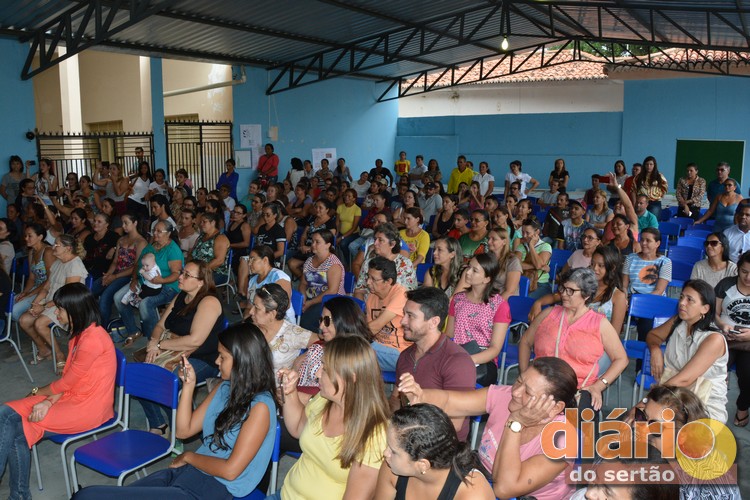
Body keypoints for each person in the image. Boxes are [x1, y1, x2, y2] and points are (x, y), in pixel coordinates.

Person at [73, 323, 278, 500]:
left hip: (216, 488)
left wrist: (188, 456)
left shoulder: (260, 407)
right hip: (191, 472)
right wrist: (188, 386)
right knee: (88, 495)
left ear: (243, 361)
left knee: (88, 496)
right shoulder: (224, 388)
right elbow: (183, 431)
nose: (217, 361)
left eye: (222, 357)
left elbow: (231, 471)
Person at [397, 357, 578, 500]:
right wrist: (420, 394)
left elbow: (505, 489)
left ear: (555, 408)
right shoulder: (506, 396)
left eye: (528, 393)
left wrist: (515, 423)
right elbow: (450, 401)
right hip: (482, 478)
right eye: (518, 381)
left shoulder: (563, 440)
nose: (516, 392)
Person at [1, 283, 116, 500]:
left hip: (89, 408)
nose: (56, 313)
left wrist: (37, 393)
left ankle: (19, 496)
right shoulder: (79, 335)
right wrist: (47, 401)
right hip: (71, 397)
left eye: (60, 309)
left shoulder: (93, 339)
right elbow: (67, 382)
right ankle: (19, 496)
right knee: (6, 414)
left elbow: (66, 383)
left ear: (75, 310)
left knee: (14, 427)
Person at [276, 336, 389, 500]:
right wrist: (290, 392)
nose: (317, 373)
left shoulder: (375, 433)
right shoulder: (324, 400)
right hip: (285, 494)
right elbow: (297, 428)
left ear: (351, 377)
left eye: (325, 368)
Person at [519, 268, 628, 412]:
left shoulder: (599, 324)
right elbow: (525, 342)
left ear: (586, 295)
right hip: (541, 385)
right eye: (563, 288)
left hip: (579, 389)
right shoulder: (548, 314)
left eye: (570, 290)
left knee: (573, 421)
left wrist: (599, 386)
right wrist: (525, 375)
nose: (564, 294)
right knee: (527, 414)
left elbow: (621, 359)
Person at [137, 261, 226, 434]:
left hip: (202, 357)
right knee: (141, 375)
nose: (180, 277)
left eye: (187, 275)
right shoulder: (181, 296)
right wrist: (154, 342)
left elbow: (195, 341)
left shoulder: (209, 301)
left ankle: (180, 431)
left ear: (200, 282)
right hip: (173, 349)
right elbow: (160, 325)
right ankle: (159, 424)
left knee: (165, 382)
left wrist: (160, 344)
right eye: (182, 272)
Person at [388, 287, 475, 440]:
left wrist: (404, 430)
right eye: (404, 314)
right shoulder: (406, 356)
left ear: (434, 322)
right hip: (408, 436)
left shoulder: (457, 361)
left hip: (441, 445)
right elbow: (396, 398)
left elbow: (455, 424)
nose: (402, 321)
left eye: (410, 316)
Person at [647, 279, 728, 423]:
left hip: (704, 404)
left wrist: (647, 401)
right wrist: (655, 349)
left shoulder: (714, 339)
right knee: (645, 423)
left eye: (689, 300)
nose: (682, 303)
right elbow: (653, 335)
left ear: (705, 309)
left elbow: (684, 379)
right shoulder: (679, 321)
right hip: (673, 397)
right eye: (681, 297)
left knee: (649, 420)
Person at [374, 403, 494, 500]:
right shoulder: (392, 468)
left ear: (422, 465)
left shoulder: (472, 493)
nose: (385, 453)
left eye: (393, 451)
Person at [19, 234, 88, 373]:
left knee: (40, 324)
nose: (53, 247)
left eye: (57, 245)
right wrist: (35, 304)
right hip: (51, 302)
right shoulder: (57, 262)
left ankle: (59, 355)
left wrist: (43, 307)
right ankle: (44, 349)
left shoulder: (75, 265)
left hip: (67, 305)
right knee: (24, 320)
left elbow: (67, 295)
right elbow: (46, 288)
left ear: (68, 248)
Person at [113, 220, 183, 345]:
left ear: (168, 233)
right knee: (118, 297)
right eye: (154, 230)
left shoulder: (173, 250)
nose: (154, 233)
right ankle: (133, 331)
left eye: (159, 231)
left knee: (145, 304)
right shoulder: (151, 247)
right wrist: (134, 279)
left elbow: (176, 274)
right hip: (144, 282)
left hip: (167, 286)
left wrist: (161, 280)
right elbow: (137, 265)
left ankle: (153, 340)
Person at [529, 246, 627, 335]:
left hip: (598, 343)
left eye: (600, 265)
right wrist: (538, 302)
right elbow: (556, 296)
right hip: (572, 335)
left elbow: (614, 334)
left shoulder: (618, 296)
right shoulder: (583, 285)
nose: (594, 268)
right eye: (592, 264)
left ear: (612, 267)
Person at [447, 254, 510, 386]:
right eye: (468, 267)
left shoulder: (499, 305)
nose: (468, 272)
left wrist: (469, 359)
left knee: (458, 378)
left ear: (487, 278)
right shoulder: (458, 299)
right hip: (458, 354)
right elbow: (449, 335)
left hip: (483, 360)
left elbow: (495, 348)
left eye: (474, 270)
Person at [294, 296, 371, 395]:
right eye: (321, 320)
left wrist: (293, 395)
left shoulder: (353, 357)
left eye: (326, 320)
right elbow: (300, 376)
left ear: (343, 321)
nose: (321, 326)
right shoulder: (319, 347)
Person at [713, 252, 750, 425]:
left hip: (748, 343)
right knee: (715, 372)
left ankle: (742, 407)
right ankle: (712, 409)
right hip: (725, 338)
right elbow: (714, 314)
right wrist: (722, 325)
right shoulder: (726, 284)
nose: (748, 278)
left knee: (748, 375)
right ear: (738, 269)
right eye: (744, 272)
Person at [245, 283, 314, 374]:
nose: (251, 311)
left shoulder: (293, 333)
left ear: (272, 314)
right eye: (253, 305)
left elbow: (324, 343)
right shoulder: (251, 326)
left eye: (257, 308)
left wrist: (300, 361)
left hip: (276, 382)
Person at [93, 213, 147, 327]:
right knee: (91, 290)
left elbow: (136, 266)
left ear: (135, 223)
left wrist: (114, 277)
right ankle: (91, 323)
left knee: (106, 296)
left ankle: (102, 328)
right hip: (116, 273)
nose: (123, 226)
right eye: (122, 223)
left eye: (126, 223)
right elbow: (115, 262)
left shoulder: (141, 242)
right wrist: (108, 275)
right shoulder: (121, 240)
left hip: (129, 276)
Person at [622, 227, 672, 343]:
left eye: (648, 240)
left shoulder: (665, 262)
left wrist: (638, 303)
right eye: (642, 239)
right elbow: (624, 286)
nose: (643, 243)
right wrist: (624, 299)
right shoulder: (631, 258)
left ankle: (642, 352)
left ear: (657, 244)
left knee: (646, 324)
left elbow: (659, 291)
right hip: (630, 298)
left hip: (653, 301)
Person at [365, 256, 410, 371]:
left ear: (388, 281)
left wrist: (346, 337)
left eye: (373, 279)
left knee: (354, 352)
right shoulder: (372, 296)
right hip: (378, 347)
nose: (368, 282)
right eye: (368, 277)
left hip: (401, 353)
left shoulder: (401, 294)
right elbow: (369, 330)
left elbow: (374, 327)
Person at [354, 223, 417, 301]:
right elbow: (359, 291)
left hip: (396, 305)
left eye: (380, 240)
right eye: (375, 239)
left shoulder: (404, 264)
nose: (375, 243)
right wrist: (363, 307)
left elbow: (408, 294)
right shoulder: (368, 263)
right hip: (369, 305)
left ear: (392, 244)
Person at [299, 230, 345, 331]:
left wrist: (310, 303)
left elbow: (332, 291)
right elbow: (303, 283)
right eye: (312, 241)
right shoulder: (309, 261)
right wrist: (303, 299)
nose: (313, 244)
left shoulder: (333, 264)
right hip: (311, 299)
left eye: (317, 242)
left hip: (330, 302)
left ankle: (320, 338)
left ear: (328, 245)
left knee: (305, 322)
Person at [239, 245, 294, 322]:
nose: (249, 263)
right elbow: (249, 307)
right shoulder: (252, 281)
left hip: (279, 322)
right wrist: (245, 322)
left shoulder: (279, 277)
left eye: (253, 259)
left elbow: (283, 307)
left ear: (265, 260)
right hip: (259, 321)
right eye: (249, 260)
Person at [12, 223, 55, 321]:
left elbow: (50, 280)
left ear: (40, 237)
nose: (26, 238)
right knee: (9, 304)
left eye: (29, 236)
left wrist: (30, 294)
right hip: (36, 288)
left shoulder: (48, 252)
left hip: (46, 291)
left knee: (14, 311)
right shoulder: (31, 252)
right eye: (25, 235)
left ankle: (30, 322)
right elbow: (32, 278)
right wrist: (24, 292)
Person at [288, 199, 336, 279]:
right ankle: (305, 280)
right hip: (305, 250)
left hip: (319, 252)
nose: (317, 209)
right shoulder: (312, 219)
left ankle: (309, 280)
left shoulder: (331, 224)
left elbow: (327, 243)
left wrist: (310, 248)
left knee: (310, 267)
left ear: (327, 210)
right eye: (316, 207)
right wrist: (302, 246)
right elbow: (304, 235)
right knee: (291, 263)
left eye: (320, 208)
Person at [514, 218, 552, 299]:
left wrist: (531, 246)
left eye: (527, 233)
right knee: (512, 297)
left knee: (524, 300)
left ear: (537, 232)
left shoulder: (545, 246)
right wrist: (537, 266)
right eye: (523, 232)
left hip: (540, 284)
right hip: (520, 282)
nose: (524, 235)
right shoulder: (521, 246)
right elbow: (516, 265)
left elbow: (538, 265)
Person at [190, 212, 230, 284]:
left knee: (192, 281)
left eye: (204, 222)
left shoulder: (220, 238)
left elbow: (219, 260)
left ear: (213, 223)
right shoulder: (202, 236)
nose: (201, 224)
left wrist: (201, 271)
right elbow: (192, 251)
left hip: (214, 272)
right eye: (201, 222)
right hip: (197, 269)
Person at [486, 227, 522, 299]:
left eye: (493, 239)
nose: (489, 242)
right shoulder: (487, 258)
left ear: (504, 242)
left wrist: (493, 305)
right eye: (488, 238)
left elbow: (509, 292)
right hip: (487, 297)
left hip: (503, 300)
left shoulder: (513, 261)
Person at [82, 213, 118, 279]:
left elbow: (123, 245)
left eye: (99, 222)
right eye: (94, 221)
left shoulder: (113, 236)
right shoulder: (89, 237)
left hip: (104, 272)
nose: (95, 223)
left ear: (106, 224)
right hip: (86, 269)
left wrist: (114, 248)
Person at [254, 202, 287, 266]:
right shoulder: (261, 228)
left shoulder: (279, 230)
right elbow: (258, 245)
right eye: (263, 215)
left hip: (272, 260)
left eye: (268, 215)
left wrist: (266, 258)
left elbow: (281, 251)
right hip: (260, 257)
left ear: (275, 215)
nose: (265, 217)